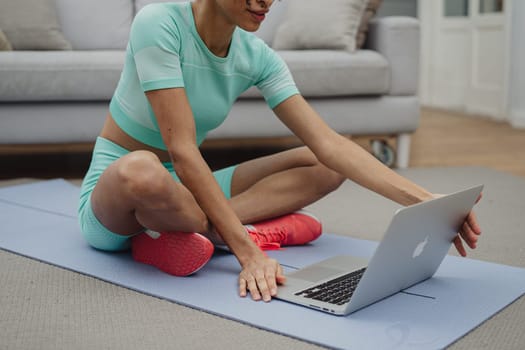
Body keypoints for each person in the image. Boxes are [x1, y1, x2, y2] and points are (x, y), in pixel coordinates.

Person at [78, 0, 482, 303]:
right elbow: (182, 152)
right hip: (119, 193)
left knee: (321, 164)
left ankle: (195, 230)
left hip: (185, 193)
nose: (265, 0)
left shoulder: (256, 56)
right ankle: (224, 231)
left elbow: (328, 143)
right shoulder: (159, 22)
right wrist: (249, 253)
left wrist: (426, 201)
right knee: (143, 170)